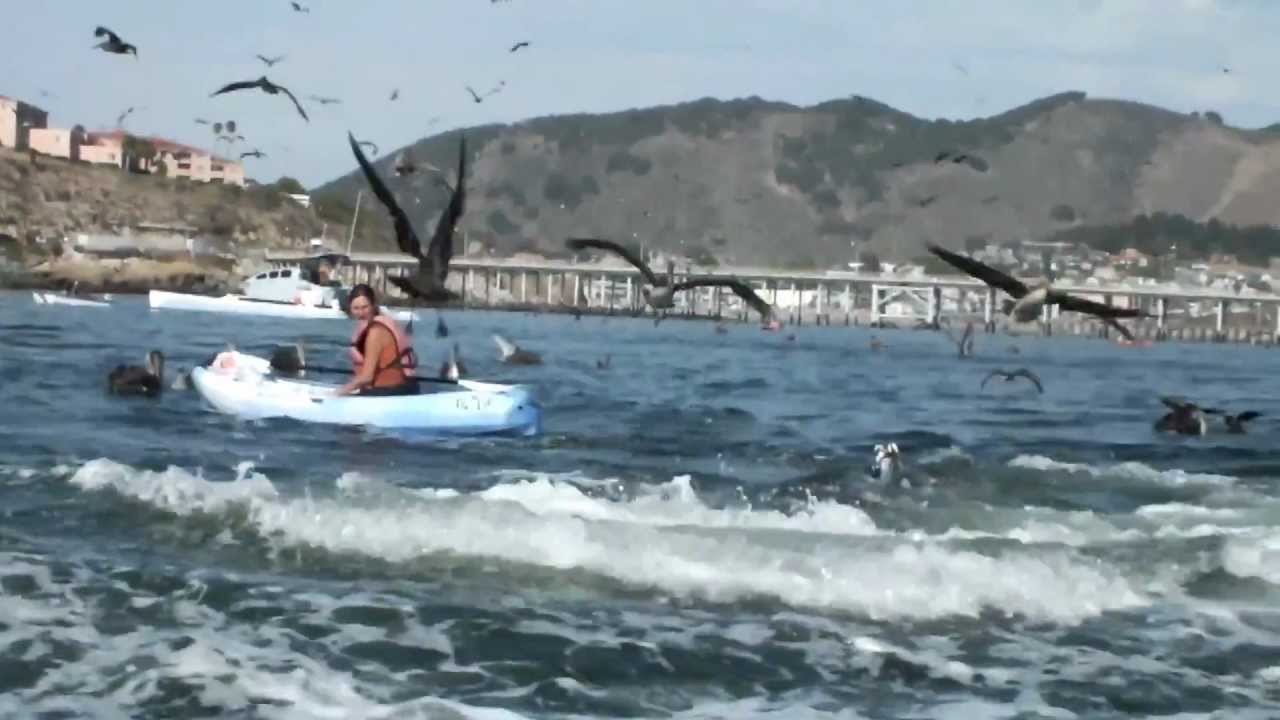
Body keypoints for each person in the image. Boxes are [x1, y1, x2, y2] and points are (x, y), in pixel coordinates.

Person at [335, 284, 420, 396]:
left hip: (389, 393)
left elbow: (367, 377)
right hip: (392, 390)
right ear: (350, 308)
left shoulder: (376, 332)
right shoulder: (375, 323)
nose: (361, 313)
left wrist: (337, 393)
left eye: (365, 307)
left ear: (373, 306)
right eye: (356, 308)